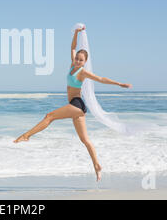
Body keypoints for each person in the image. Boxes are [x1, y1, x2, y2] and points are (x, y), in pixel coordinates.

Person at [13, 25, 132, 182]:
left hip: (77, 104)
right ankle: (97, 165)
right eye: (76, 58)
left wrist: (119, 84)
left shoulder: (83, 72)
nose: (77, 60)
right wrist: (76, 32)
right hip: (76, 106)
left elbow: (101, 79)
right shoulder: (71, 66)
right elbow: (73, 47)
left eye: (80, 60)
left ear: (85, 62)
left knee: (49, 116)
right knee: (85, 140)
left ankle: (26, 136)